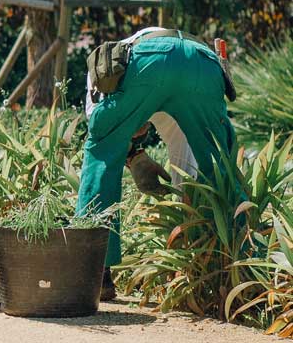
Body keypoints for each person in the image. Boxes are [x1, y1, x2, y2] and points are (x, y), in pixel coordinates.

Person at [76, 27, 237, 301]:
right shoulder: (168, 111)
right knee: (216, 165)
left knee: (100, 153)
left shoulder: (104, 73)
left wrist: (128, 154)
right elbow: (187, 169)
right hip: (202, 64)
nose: (137, 133)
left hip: (149, 62)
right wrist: (136, 158)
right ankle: (226, 267)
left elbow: (103, 136)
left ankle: (94, 272)